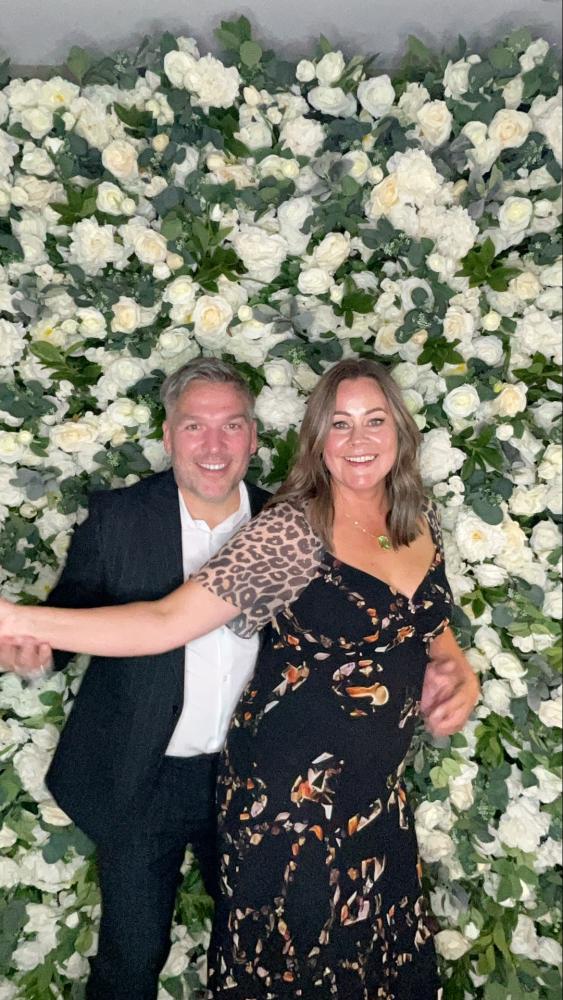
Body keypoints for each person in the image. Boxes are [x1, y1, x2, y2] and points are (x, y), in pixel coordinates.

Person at [1, 358, 480, 999]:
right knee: (261, 966)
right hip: (278, 800)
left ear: (400, 430)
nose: (359, 439)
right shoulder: (290, 530)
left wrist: (456, 665)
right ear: (318, 438)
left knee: (375, 967)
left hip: (372, 798)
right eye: (340, 424)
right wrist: (16, 621)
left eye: (374, 421)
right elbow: (163, 623)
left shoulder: (414, 517)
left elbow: (422, 618)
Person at [0, 358, 269, 1000]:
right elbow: (71, 615)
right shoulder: (119, 518)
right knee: (132, 955)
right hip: (142, 774)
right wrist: (36, 652)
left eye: (231, 426)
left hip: (251, 780)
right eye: (194, 426)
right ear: (169, 435)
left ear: (254, 436)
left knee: (259, 950)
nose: (214, 445)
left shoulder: (284, 521)